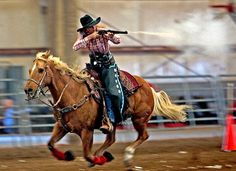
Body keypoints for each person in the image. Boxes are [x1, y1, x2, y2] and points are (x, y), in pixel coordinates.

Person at [73, 14, 125, 134]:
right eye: (86, 28)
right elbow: (75, 47)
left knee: (111, 90)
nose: (87, 29)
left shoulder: (103, 32)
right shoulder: (85, 35)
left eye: (89, 27)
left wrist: (111, 36)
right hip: (94, 67)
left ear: (94, 26)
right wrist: (90, 37)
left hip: (108, 65)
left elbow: (118, 40)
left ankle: (111, 118)